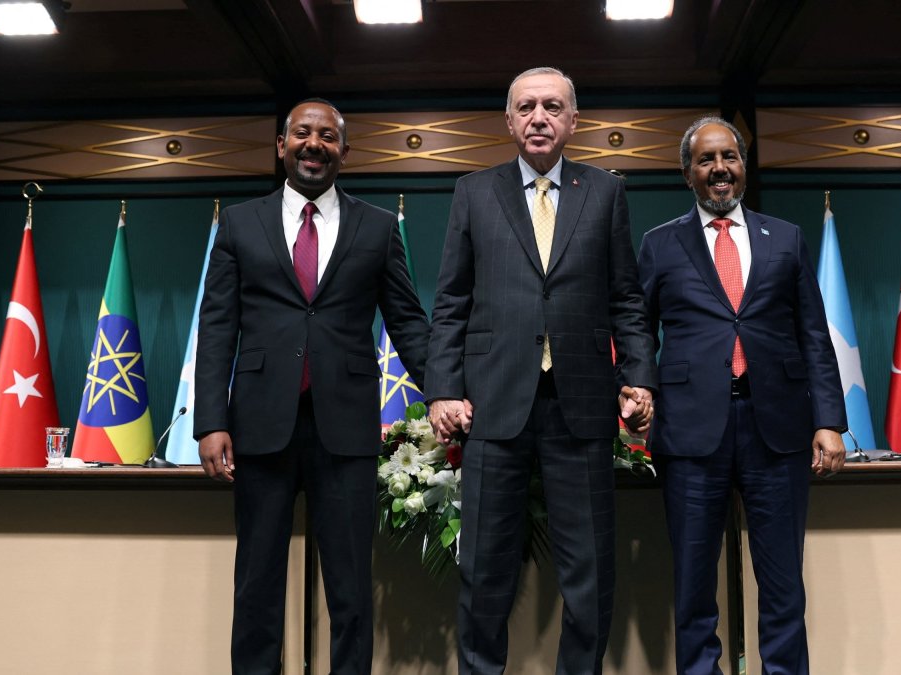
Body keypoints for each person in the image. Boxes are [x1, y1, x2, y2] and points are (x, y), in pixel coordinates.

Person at [426, 66, 658, 675]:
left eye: (552, 107)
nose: (538, 118)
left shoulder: (605, 191)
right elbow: (450, 301)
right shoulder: (474, 192)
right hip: (493, 405)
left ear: (573, 121)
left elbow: (626, 299)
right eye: (526, 107)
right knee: (484, 570)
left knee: (589, 573)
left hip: (580, 405)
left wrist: (639, 377)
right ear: (508, 121)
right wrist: (443, 390)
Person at [193, 99, 430, 675]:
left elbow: (407, 323)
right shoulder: (239, 223)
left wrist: (448, 391)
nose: (314, 143)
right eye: (302, 133)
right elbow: (217, 325)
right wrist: (210, 421)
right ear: (282, 145)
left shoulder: (376, 227)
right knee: (256, 585)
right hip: (258, 428)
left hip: (344, 431)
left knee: (350, 589)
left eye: (328, 136)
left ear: (344, 153)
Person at [637, 116, 847, 675]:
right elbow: (636, 331)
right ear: (688, 174)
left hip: (775, 426)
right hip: (689, 429)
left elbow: (813, 335)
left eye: (729, 157)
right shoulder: (659, 244)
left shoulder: (787, 238)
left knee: (782, 585)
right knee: (694, 584)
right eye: (706, 160)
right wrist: (636, 394)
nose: (720, 168)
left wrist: (828, 420)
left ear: (744, 167)